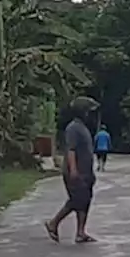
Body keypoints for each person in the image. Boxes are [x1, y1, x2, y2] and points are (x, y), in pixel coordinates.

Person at [45, 96, 100, 244]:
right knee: (77, 200)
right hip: (76, 172)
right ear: (82, 112)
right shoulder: (73, 128)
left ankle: (80, 232)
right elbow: (71, 150)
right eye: (88, 111)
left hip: (85, 172)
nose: (90, 114)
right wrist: (73, 170)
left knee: (85, 201)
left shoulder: (83, 127)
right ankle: (53, 223)